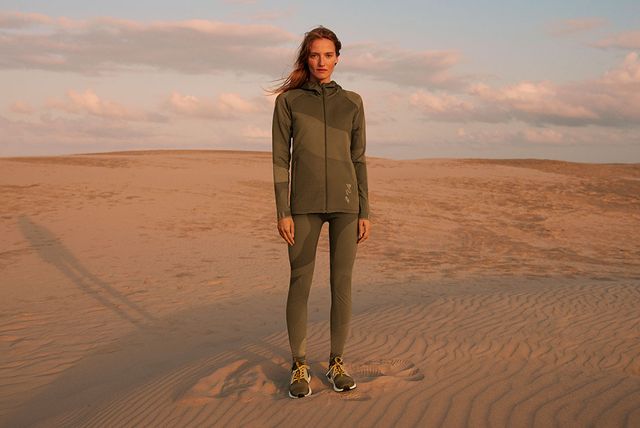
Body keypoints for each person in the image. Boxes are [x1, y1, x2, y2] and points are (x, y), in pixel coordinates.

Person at [267, 25, 371, 399]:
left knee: (341, 283)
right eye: (315, 55)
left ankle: (336, 363)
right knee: (300, 281)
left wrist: (365, 210)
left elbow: (359, 158)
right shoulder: (289, 102)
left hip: (346, 205)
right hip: (303, 207)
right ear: (306, 58)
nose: (321, 61)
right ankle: (299, 365)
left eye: (328, 55)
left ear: (338, 58)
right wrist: (283, 210)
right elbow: (280, 159)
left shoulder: (353, 102)